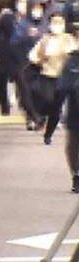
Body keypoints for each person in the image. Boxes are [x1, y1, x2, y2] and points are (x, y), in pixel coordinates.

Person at [28, 12, 76, 144]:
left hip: (63, 77)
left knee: (57, 108)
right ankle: (41, 116)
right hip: (47, 75)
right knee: (47, 99)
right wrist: (41, 59)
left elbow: (73, 53)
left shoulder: (68, 39)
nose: (57, 25)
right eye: (54, 22)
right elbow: (33, 55)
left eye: (60, 22)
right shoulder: (45, 39)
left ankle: (48, 134)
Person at [50, 45, 79, 193]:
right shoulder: (72, 61)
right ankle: (76, 175)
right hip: (76, 112)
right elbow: (62, 87)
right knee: (73, 145)